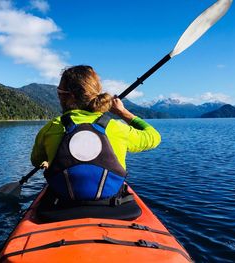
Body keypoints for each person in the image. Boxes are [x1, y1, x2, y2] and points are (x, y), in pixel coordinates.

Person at [31, 65, 161, 203]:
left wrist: (47, 160)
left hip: (63, 203)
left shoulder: (51, 128)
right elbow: (154, 137)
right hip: (110, 203)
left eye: (59, 92)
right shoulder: (116, 128)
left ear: (70, 97)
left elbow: (36, 160)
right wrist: (123, 113)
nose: (58, 96)